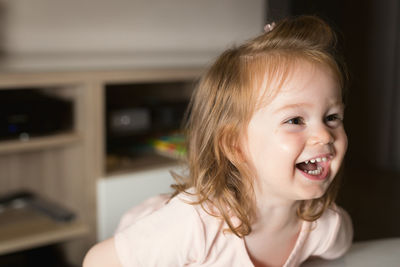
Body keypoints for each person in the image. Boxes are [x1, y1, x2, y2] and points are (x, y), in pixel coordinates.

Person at [83, 15, 353, 267]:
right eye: (295, 121)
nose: (325, 135)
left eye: (331, 117)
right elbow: (96, 261)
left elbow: (342, 244)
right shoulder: (193, 225)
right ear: (235, 145)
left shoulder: (323, 224)